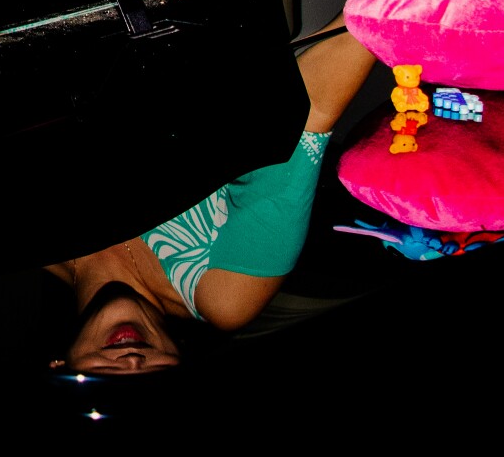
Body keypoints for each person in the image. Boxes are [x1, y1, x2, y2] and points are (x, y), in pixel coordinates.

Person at [45, 27, 379, 373]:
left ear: (59, 365)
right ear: (180, 360)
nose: (132, 362)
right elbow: (305, 114)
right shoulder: (223, 290)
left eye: (109, 383)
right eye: (155, 381)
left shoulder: (20, 236)